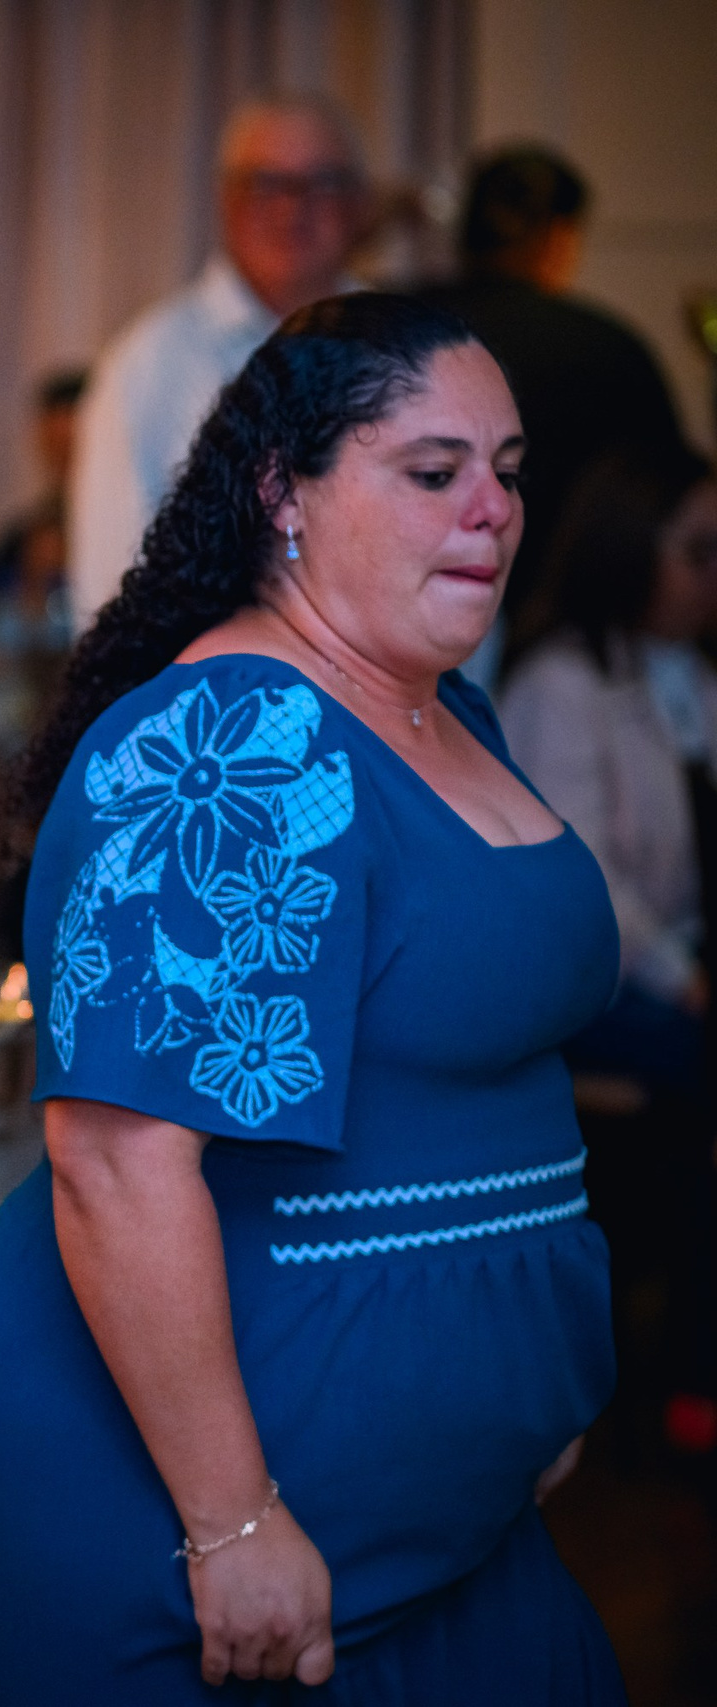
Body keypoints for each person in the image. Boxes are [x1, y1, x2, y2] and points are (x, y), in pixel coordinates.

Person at [0, 295, 625, 1703]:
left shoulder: (446, 707)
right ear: (285, 487)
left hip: (445, 1517)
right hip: (196, 1516)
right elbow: (115, 1157)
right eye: (432, 470)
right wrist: (233, 1521)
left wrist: (534, 1379)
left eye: (509, 471)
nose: (492, 510)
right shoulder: (234, 734)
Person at [498, 444, 717, 1506]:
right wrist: (685, 979)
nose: (710, 576)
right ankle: (688, 1374)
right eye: (697, 551)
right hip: (589, 986)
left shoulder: (683, 675)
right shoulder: (561, 681)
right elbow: (582, 883)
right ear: (633, 546)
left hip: (668, 968)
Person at [67, 94, 369, 627]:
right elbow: (110, 590)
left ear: (357, 204)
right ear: (226, 200)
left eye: (321, 184)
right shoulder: (149, 364)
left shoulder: (407, 353)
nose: (292, 209)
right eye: (268, 185)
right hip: (212, 701)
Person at [425, 146, 689, 628]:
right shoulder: (609, 350)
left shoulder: (397, 331)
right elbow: (666, 506)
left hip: (420, 609)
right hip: (572, 626)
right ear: (558, 236)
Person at [0, 367, 88, 737]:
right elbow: (3, 656)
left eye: (78, 450)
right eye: (57, 452)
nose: (68, 466)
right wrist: (34, 584)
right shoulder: (13, 547)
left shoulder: (145, 533)